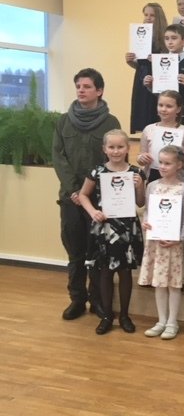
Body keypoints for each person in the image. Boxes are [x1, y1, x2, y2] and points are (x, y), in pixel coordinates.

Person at [53, 68, 121, 321]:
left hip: (99, 199)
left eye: (87, 86)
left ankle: (97, 301)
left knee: (98, 253)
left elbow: (113, 158)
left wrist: (88, 191)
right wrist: (74, 190)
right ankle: (77, 299)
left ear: (99, 91)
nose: (81, 90)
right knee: (75, 252)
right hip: (70, 198)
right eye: (78, 86)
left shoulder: (110, 122)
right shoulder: (64, 121)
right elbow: (58, 157)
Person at [77, 130, 146, 334]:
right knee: (105, 272)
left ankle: (124, 315)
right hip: (105, 228)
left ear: (128, 148)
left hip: (127, 228)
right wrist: (93, 212)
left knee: (125, 272)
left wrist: (139, 187)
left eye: (120, 147)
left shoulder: (136, 173)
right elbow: (83, 195)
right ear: (104, 149)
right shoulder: (97, 172)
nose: (116, 151)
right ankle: (107, 315)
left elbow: (140, 202)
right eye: (112, 147)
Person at [138, 145, 184, 340]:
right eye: (160, 162)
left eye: (168, 163)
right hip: (156, 243)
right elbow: (148, 210)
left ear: (179, 165)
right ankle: (161, 320)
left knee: (173, 284)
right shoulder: (152, 186)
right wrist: (146, 223)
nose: (162, 166)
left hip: (174, 244)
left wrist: (178, 237)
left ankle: (172, 322)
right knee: (159, 283)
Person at [143, 24, 184, 143]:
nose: (170, 42)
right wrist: (150, 86)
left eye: (174, 38)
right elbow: (159, 93)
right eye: (166, 38)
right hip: (166, 117)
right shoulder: (159, 62)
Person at [137, 90, 184, 183]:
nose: (163, 109)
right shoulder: (148, 129)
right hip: (153, 178)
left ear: (178, 109)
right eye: (160, 105)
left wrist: (177, 160)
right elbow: (141, 156)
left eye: (169, 106)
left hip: (177, 181)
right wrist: (141, 158)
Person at [126, 2, 167, 133]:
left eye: (152, 15)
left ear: (158, 17)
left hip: (157, 79)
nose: (148, 18)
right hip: (141, 77)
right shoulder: (140, 36)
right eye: (146, 15)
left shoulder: (165, 37)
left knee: (153, 111)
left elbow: (170, 60)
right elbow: (140, 64)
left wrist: (157, 59)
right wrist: (130, 61)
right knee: (141, 112)